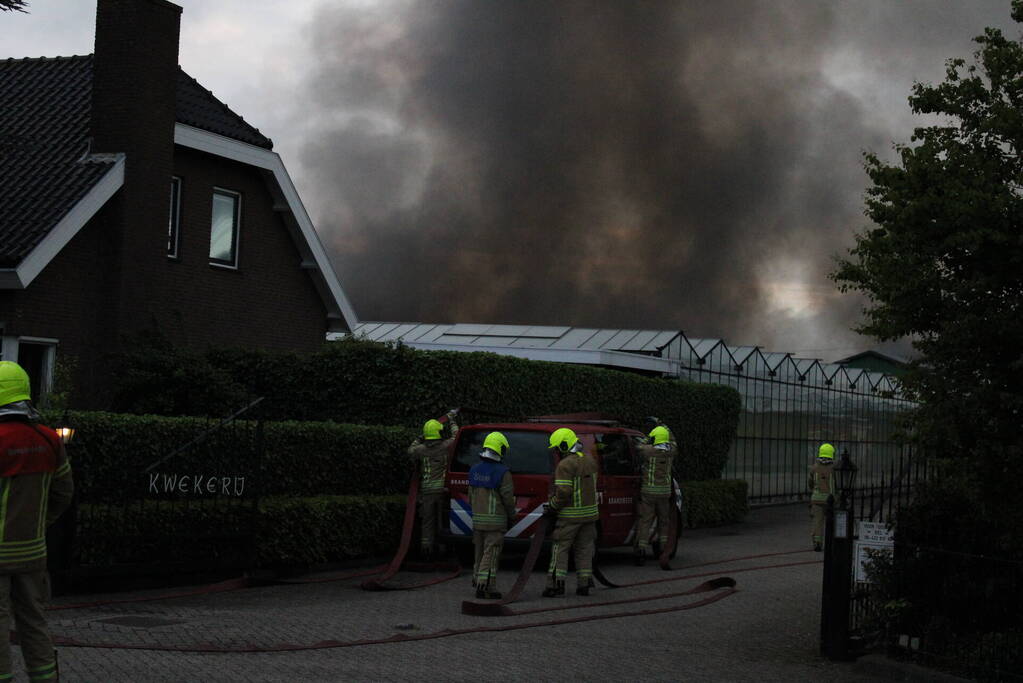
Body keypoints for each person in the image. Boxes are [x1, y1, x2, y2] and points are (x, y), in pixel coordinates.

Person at [0, 361, 74, 682]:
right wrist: (38, 525)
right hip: (32, 554)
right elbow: (63, 493)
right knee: (34, 622)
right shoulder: (48, 439)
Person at [543, 427, 599, 597]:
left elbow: (564, 492)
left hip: (570, 516)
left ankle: (556, 584)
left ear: (564, 445)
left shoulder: (565, 465)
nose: (557, 452)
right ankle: (584, 584)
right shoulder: (590, 460)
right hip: (590, 515)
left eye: (558, 448)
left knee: (560, 548)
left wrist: (552, 505)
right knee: (585, 549)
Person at [468, 432, 515, 599]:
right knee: (491, 554)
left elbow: (470, 496)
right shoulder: (503, 472)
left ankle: (478, 581)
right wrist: (512, 516)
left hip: (478, 521)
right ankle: (486, 586)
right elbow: (508, 499)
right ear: (500, 449)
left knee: (479, 553)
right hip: (495, 522)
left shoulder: (474, 469)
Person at [408, 409, 459, 558]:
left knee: (427, 521)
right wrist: (452, 419)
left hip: (427, 492)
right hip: (442, 490)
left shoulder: (420, 450)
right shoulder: (445, 446)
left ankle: (426, 550)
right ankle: (444, 549)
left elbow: (410, 450)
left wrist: (419, 437)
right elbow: (456, 436)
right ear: (439, 433)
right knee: (442, 520)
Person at [633, 425, 676, 566]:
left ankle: (641, 550)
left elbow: (638, 446)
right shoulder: (671, 451)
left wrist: (648, 438)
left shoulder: (648, 451)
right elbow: (673, 441)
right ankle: (663, 550)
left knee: (645, 521)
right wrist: (665, 427)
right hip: (664, 493)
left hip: (649, 492)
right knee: (663, 522)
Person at [808, 443, 836, 551]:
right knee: (832, 521)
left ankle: (817, 542)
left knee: (817, 522)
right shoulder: (834, 468)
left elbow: (810, 483)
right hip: (831, 499)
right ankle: (832, 542)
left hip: (816, 500)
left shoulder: (814, 468)